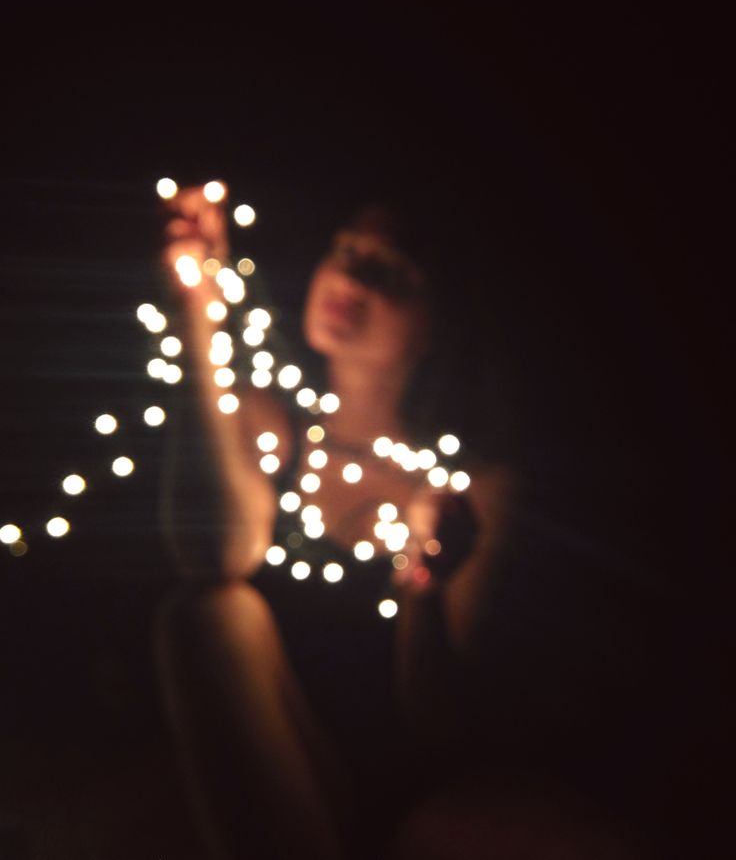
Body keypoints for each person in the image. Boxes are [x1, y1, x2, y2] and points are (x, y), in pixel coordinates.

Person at [153, 183, 631, 860]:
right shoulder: (273, 425)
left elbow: (441, 728)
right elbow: (212, 554)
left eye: (391, 270)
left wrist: (425, 587)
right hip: (280, 765)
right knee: (210, 614)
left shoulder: (472, 487)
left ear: (442, 316)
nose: (350, 275)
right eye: (346, 249)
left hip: (395, 787)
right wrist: (195, 315)